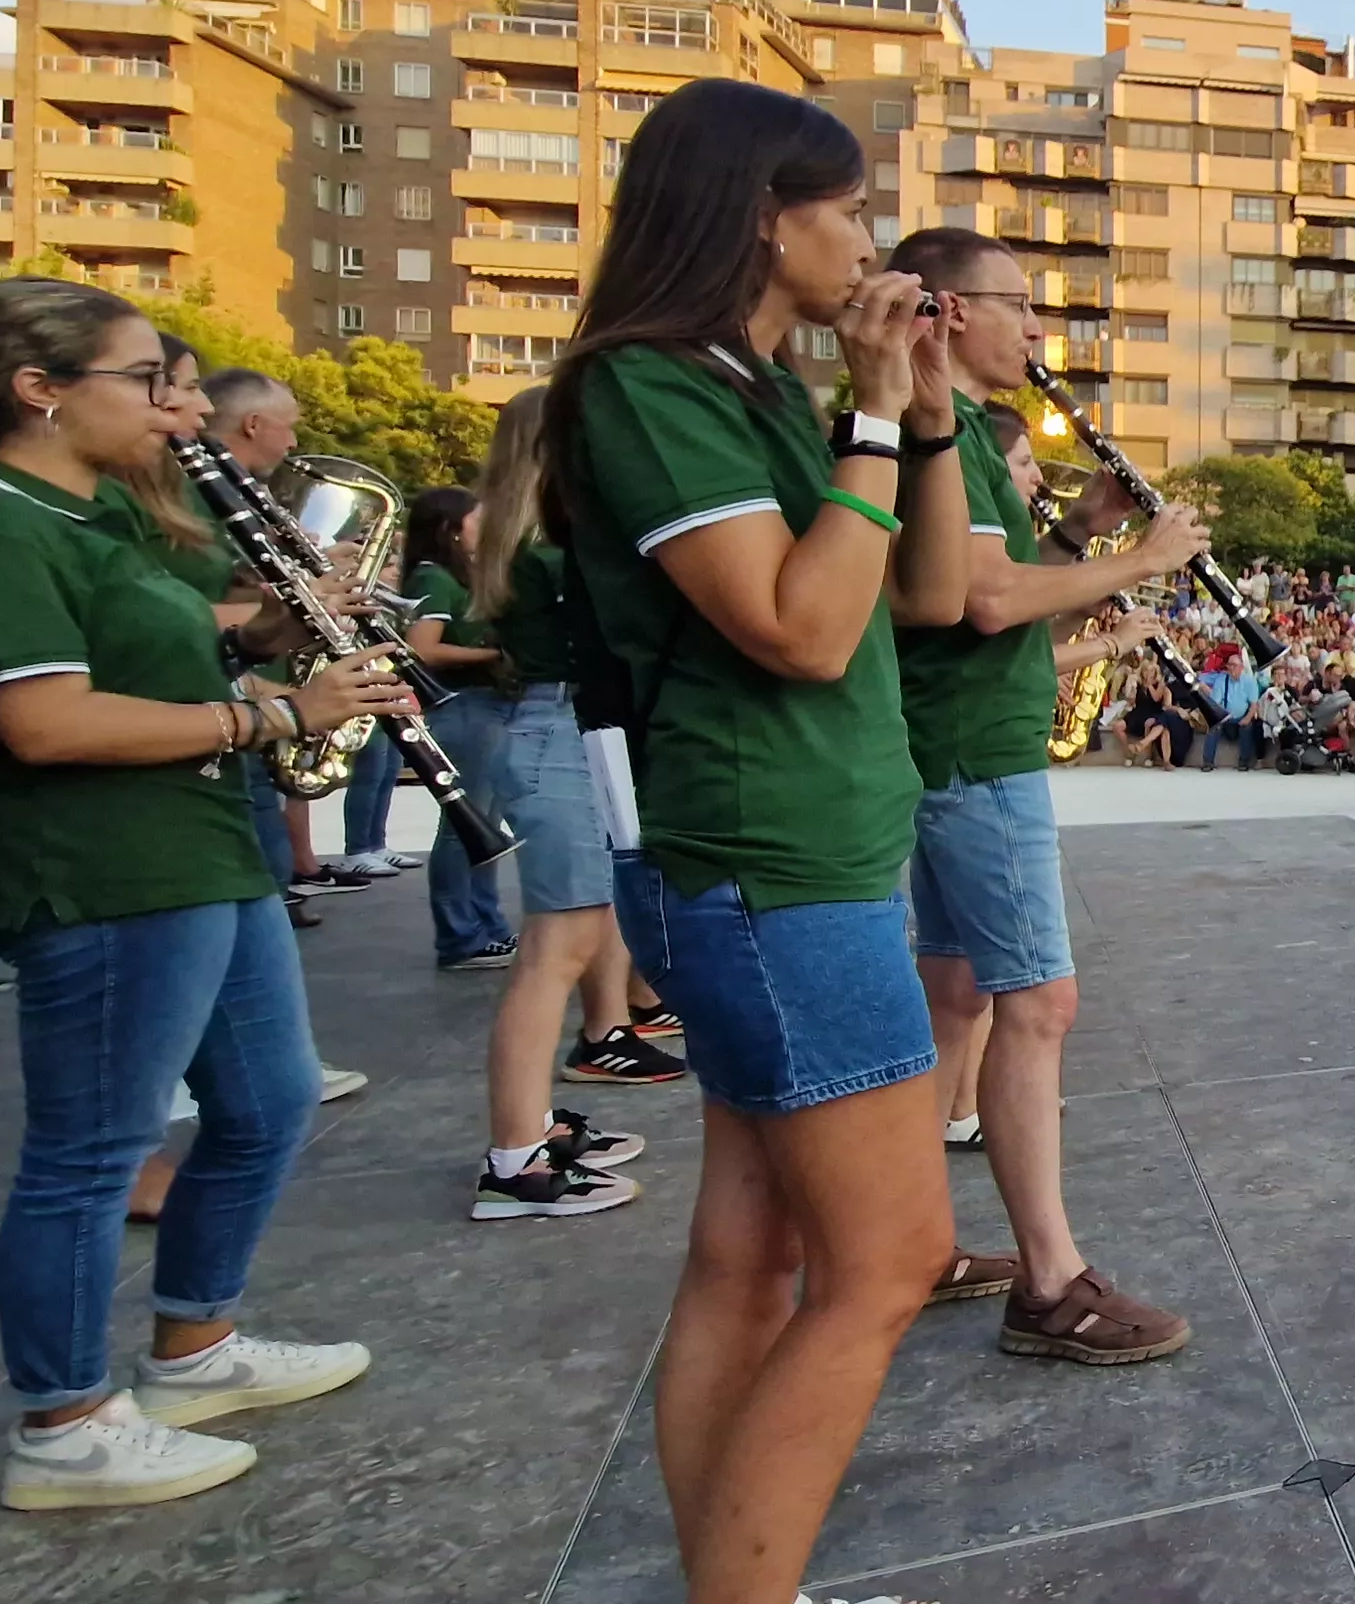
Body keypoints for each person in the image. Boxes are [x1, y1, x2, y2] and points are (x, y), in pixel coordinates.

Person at [545, 80, 974, 1597]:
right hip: (771, 871)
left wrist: (918, 432)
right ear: (756, 214)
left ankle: (738, 1576)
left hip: (798, 861)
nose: (866, 239)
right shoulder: (646, 384)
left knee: (752, 1259)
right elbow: (797, 631)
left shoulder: (750, 389)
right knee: (891, 1264)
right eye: (846, 207)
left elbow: (914, 600)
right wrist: (860, 411)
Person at [0, 276, 404, 1505]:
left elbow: (159, 651)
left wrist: (273, 629)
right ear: (41, 391)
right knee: (92, 1151)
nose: (176, 409)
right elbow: (46, 720)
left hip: (196, 846)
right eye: (146, 382)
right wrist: (274, 708)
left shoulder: (99, 515)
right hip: (100, 865)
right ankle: (61, 1424)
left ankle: (196, 1347)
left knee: (269, 1101)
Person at [884, 226, 1202, 1362]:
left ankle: (911, 1241)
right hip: (974, 754)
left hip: (957, 741)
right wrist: (1144, 559)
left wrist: (1088, 533)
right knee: (1036, 1006)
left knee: (961, 993)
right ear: (951, 312)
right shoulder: (955, 435)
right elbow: (982, 601)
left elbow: (1003, 585)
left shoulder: (958, 437)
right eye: (1018, 305)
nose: (1035, 329)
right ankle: (1052, 1285)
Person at [454, 393, 682, 1229]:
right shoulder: (557, 551)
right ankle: (514, 1157)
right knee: (557, 950)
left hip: (563, 731)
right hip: (561, 733)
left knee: (569, 942)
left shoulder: (531, 540)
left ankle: (531, 1128)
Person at [395, 486, 520, 972]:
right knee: (463, 827)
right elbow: (421, 648)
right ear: (450, 528)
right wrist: (493, 655)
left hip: (481, 705)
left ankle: (485, 927)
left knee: (482, 827)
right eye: (475, 520)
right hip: (465, 707)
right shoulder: (434, 578)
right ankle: (461, 934)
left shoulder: (456, 577)